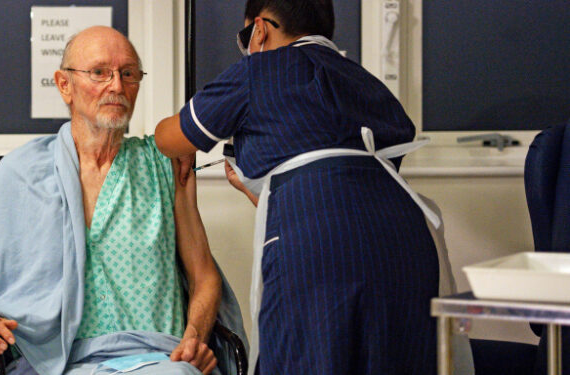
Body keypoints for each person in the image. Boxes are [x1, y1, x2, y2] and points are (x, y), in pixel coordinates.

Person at [0, 26, 245, 375]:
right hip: (53, 362)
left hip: (156, 359)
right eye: (99, 72)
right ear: (64, 85)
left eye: (128, 73)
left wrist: (194, 338)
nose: (116, 86)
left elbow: (204, 276)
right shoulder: (20, 173)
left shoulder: (166, 164)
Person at [155, 1, 440, 374]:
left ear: (259, 29)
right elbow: (347, 191)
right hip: (407, 242)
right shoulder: (367, 83)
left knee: (303, 358)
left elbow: (171, 139)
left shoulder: (258, 70)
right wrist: (251, 188)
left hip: (318, 250)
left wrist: (165, 135)